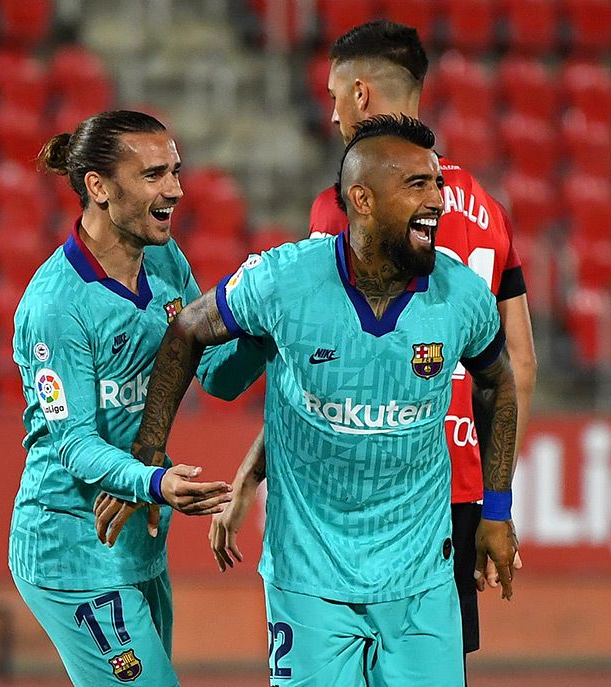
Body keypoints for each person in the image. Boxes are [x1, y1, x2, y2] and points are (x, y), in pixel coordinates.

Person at [122, 115, 519, 685]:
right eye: (418, 186)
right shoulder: (284, 281)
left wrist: (497, 511)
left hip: (421, 579)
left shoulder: (461, 295)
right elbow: (188, 329)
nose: (439, 200)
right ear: (362, 199)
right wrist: (147, 453)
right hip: (309, 580)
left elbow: (497, 383)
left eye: (438, 185)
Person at [213, 19, 538, 664]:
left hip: (362, 492)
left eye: (333, 96)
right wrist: (494, 498)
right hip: (460, 483)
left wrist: (251, 474)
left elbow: (317, 372)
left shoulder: (346, 207)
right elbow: (518, 364)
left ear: (360, 95)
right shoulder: (484, 207)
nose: (330, 115)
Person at [10, 110, 264, 687]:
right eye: (153, 175)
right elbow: (74, 445)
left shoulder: (165, 260)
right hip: (71, 544)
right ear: (98, 188)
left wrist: (262, 317)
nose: (175, 189)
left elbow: (217, 375)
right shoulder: (56, 305)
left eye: (175, 171)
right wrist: (155, 482)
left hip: (138, 543)